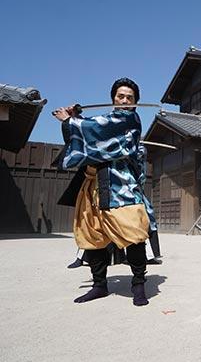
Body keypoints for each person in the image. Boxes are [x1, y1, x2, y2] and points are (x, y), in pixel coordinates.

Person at [53, 77, 152, 305]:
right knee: (92, 234)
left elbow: (98, 130)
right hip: (93, 182)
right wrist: (76, 118)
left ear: (135, 103)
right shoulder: (106, 119)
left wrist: (71, 121)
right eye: (121, 96)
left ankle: (138, 284)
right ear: (113, 99)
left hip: (120, 183)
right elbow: (95, 129)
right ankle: (99, 285)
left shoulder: (129, 120)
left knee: (134, 233)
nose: (125, 100)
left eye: (130, 97)